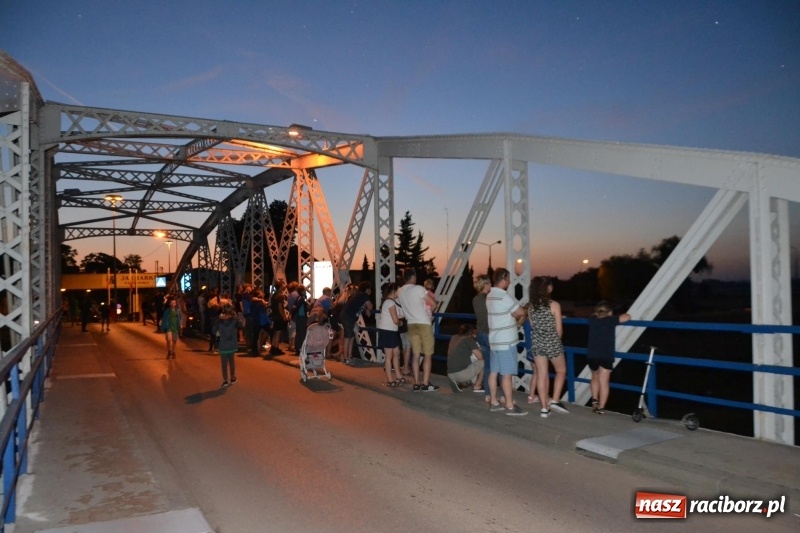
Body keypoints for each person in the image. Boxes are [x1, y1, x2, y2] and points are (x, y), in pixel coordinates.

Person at [486, 268, 528, 415]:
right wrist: (516, 314)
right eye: (509, 279)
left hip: (495, 341)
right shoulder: (504, 297)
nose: (510, 282)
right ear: (503, 279)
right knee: (507, 374)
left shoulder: (490, 295)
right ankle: (510, 406)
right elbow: (521, 312)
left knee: (494, 372)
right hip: (506, 341)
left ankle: (494, 402)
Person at [528, 276, 568, 417]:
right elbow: (559, 330)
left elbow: (533, 326)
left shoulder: (531, 306)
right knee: (561, 371)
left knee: (542, 375)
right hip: (552, 343)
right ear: (547, 288)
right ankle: (555, 400)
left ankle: (544, 408)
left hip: (538, 343)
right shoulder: (554, 305)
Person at [396, 268, 438, 392]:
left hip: (411, 324)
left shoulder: (400, 291)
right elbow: (434, 304)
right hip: (423, 323)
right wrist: (429, 314)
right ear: (413, 277)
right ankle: (425, 383)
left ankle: (416, 383)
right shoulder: (419, 289)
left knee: (415, 354)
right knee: (428, 354)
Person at [588, 301, 631, 415]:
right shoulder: (611, 320)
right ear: (610, 312)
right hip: (606, 355)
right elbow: (627, 317)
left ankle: (594, 401)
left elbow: (593, 315)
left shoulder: (592, 320)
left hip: (592, 354)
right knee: (604, 381)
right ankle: (601, 407)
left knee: (594, 376)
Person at [472, 274, 495, 402]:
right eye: (489, 283)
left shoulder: (475, 299)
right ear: (485, 284)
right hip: (490, 334)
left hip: (481, 334)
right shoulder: (489, 298)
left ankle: (487, 393)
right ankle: (496, 394)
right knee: (496, 366)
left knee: (487, 365)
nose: (491, 285)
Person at [377, 282, 405, 387]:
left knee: (396, 353)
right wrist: (401, 322)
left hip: (391, 331)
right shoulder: (390, 303)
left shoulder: (389, 302)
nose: (399, 292)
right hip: (388, 331)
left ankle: (398, 376)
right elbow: (395, 320)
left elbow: (396, 314)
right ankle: (390, 380)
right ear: (393, 291)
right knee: (389, 356)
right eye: (398, 290)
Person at [341, 282, 373, 365]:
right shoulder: (364, 295)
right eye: (370, 289)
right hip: (349, 317)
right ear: (367, 289)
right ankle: (345, 358)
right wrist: (368, 308)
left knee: (351, 336)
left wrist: (366, 309)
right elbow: (370, 305)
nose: (370, 291)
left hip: (347, 316)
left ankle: (349, 356)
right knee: (348, 337)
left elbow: (362, 305)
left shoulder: (358, 295)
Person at [447, 324, 484, 393]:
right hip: (460, 374)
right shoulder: (468, 340)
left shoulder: (454, 337)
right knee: (485, 361)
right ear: (471, 333)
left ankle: (460, 381)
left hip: (450, 372)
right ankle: (477, 386)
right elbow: (480, 357)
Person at [216, 303, 240, 388]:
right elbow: (241, 326)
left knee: (224, 364)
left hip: (223, 344)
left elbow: (213, 330)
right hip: (231, 344)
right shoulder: (234, 320)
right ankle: (232, 377)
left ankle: (225, 380)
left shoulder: (219, 321)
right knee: (231, 362)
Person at [269, 281, 289, 355]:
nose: (284, 287)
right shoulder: (280, 296)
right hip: (278, 316)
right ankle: (276, 348)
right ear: (280, 287)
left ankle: (273, 347)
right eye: (283, 286)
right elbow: (280, 307)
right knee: (278, 332)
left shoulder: (274, 295)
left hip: (274, 315)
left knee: (275, 332)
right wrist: (284, 316)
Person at [291, 285, 310, 353]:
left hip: (299, 316)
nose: (306, 292)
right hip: (301, 316)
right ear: (302, 291)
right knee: (301, 332)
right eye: (305, 290)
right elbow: (298, 307)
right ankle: (300, 348)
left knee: (299, 332)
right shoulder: (301, 298)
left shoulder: (299, 298)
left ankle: (298, 347)